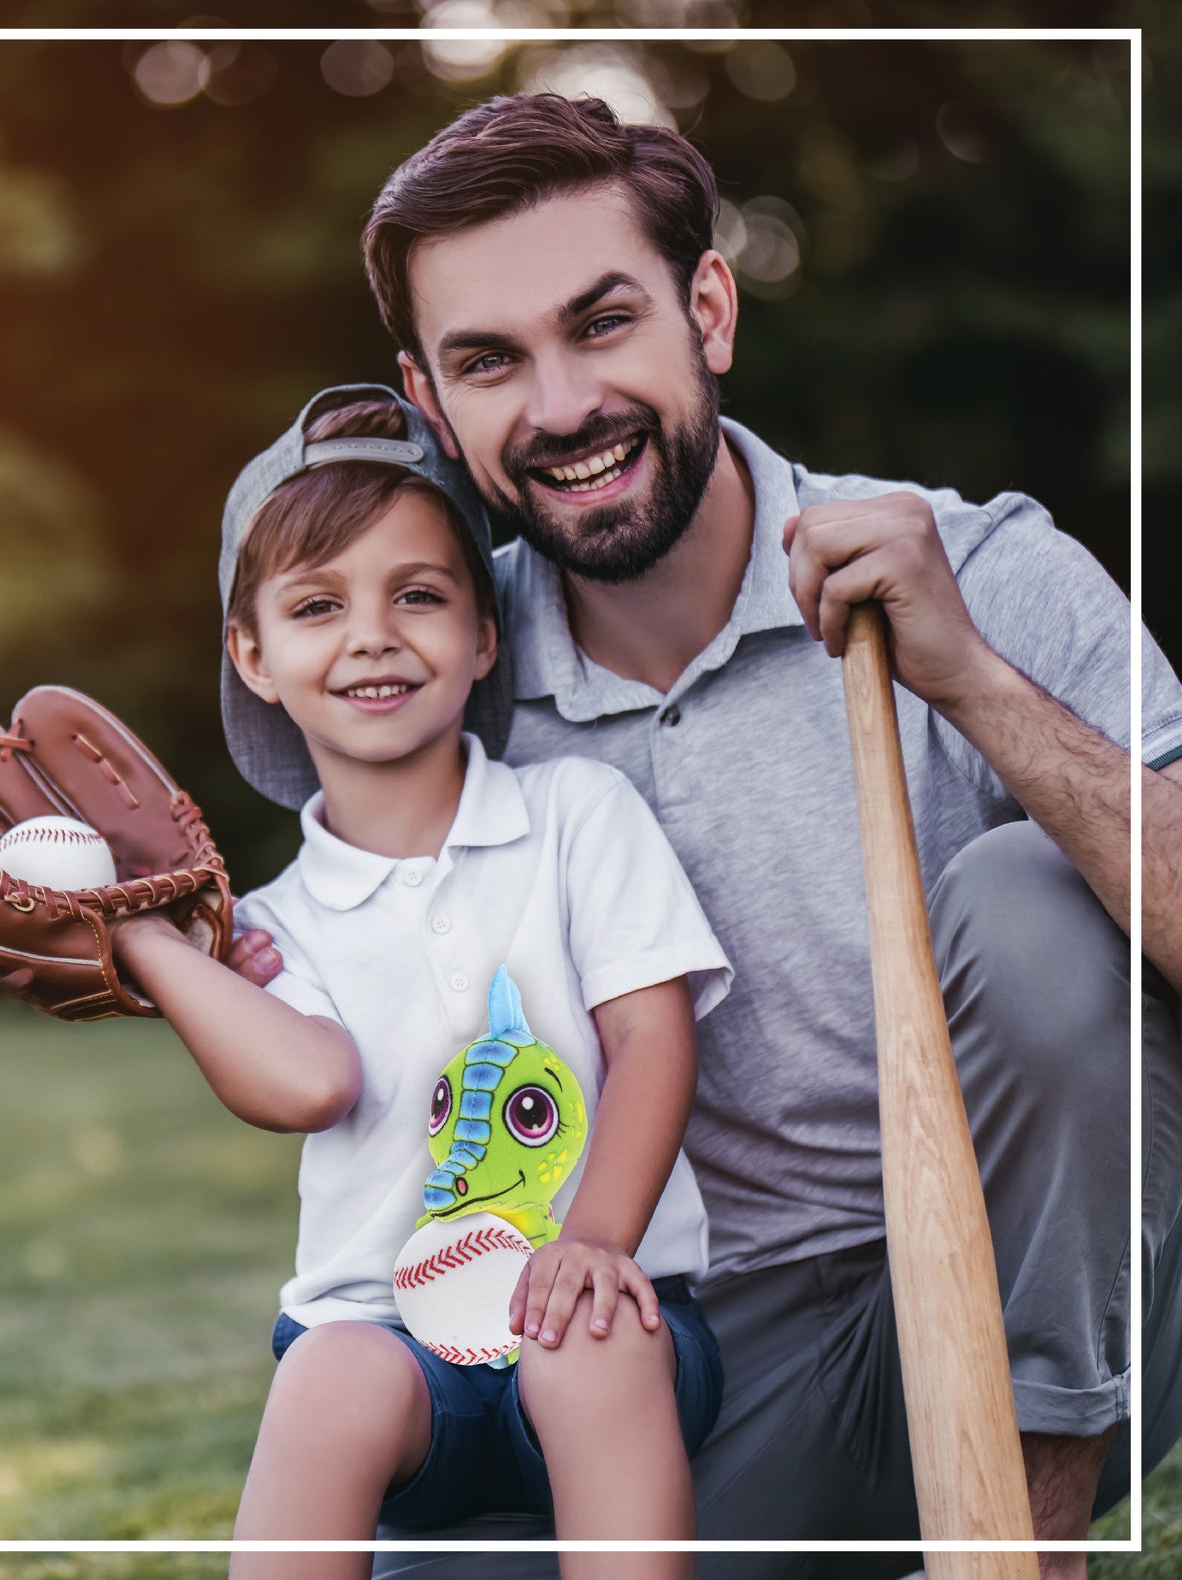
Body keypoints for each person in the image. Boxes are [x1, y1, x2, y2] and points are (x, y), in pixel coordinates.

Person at [227, 94, 1182, 1578]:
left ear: (710, 307)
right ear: (429, 396)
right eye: (489, 361)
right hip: (704, 1347)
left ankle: (1013, 1554)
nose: (557, 407)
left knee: (1030, 902)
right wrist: (126, 937)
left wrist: (976, 684)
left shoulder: (978, 566)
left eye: (601, 323)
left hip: (1064, 1291)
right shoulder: (436, 667)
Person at [115, 384, 734, 1579]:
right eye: (313, 605)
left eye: (417, 594)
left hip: (610, 1318)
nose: (371, 635)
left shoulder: (573, 816)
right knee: (328, 1371)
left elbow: (652, 1041)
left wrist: (593, 1238)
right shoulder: (267, 926)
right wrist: (147, 940)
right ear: (251, 653)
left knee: (589, 1337)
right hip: (397, 1358)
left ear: (484, 631)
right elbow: (306, 1083)